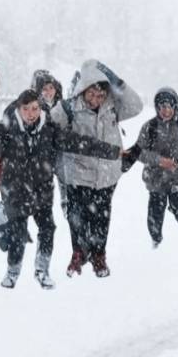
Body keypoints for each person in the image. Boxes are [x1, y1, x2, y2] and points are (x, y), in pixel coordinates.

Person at [0, 89, 120, 289]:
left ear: (40, 109)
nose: (31, 113)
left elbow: (77, 142)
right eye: (26, 109)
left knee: (48, 229)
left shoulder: (49, 129)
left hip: (42, 191)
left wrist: (110, 150)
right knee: (17, 233)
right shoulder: (7, 129)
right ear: (18, 109)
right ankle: (12, 272)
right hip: (15, 192)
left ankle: (42, 269)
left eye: (35, 109)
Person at [49, 60, 143, 278]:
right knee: (77, 216)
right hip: (77, 172)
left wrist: (117, 81)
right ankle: (78, 254)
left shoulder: (112, 106)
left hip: (107, 174)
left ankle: (99, 255)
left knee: (101, 217)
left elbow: (136, 106)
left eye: (100, 95)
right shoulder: (69, 107)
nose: (96, 100)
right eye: (92, 94)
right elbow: (50, 130)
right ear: (84, 90)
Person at [132, 87, 178, 249]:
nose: (166, 111)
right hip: (155, 179)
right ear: (157, 107)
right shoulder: (149, 127)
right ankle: (156, 242)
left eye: (170, 107)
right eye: (162, 107)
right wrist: (159, 160)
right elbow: (138, 152)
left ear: (175, 107)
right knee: (155, 213)